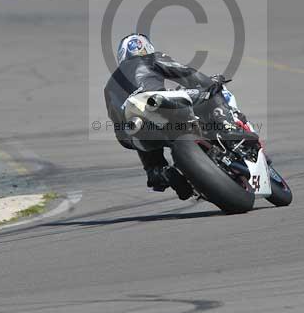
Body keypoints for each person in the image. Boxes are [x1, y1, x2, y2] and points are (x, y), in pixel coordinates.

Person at [104, 33, 245, 200]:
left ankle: (160, 173)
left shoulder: (109, 87)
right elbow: (185, 73)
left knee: (141, 137)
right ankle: (226, 125)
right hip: (159, 104)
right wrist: (209, 83)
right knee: (211, 91)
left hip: (135, 130)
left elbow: (120, 132)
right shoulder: (151, 58)